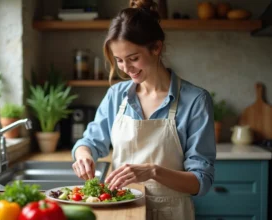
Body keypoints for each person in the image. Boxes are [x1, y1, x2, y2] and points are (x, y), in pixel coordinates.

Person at [71, 0, 216, 219]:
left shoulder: (195, 100)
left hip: (173, 213)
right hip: (123, 212)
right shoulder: (116, 95)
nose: (126, 69)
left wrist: (152, 171)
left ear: (156, 48)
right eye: (119, 60)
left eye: (133, 58)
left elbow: (200, 182)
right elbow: (89, 143)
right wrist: (83, 156)